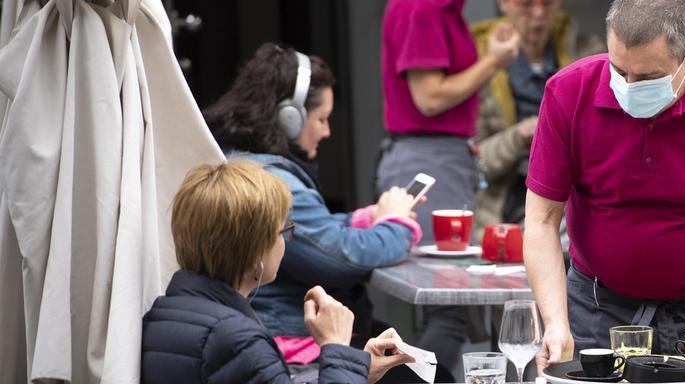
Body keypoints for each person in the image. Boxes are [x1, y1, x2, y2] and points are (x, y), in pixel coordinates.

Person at [523, 0, 685, 373]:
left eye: (646, 78)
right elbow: (542, 221)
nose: (627, 87)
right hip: (596, 306)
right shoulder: (568, 92)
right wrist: (556, 323)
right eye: (618, 69)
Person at [204, 44, 423, 371]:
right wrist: (395, 225)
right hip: (292, 345)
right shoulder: (275, 183)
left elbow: (313, 234)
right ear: (289, 118)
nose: (327, 130)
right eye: (321, 119)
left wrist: (366, 219)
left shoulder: (239, 161)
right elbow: (339, 258)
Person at [141, 161, 414, 384]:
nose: (285, 241)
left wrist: (357, 368)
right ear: (257, 252)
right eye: (284, 231)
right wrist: (337, 345)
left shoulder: (169, 311)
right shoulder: (236, 340)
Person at [377, 0, 520, 374]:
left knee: (447, 312)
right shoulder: (422, 7)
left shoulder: (447, 10)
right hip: (430, 159)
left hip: (444, 159)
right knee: (448, 311)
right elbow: (430, 98)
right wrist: (493, 62)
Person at [470, 0, 577, 239]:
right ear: (504, 4)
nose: (538, 13)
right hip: (507, 206)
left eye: (547, 3)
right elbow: (473, 164)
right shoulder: (480, 66)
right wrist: (518, 136)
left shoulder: (584, 53)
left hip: (570, 203)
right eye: (526, 4)